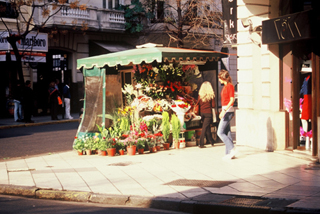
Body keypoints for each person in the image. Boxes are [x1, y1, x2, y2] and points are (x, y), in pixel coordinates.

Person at [217, 69, 236, 159]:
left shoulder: (229, 86)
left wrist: (224, 111)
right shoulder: (225, 87)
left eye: (219, 78)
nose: (219, 80)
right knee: (227, 132)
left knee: (220, 132)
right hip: (226, 111)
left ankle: (232, 149)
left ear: (222, 77)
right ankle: (229, 153)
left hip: (228, 112)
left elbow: (232, 100)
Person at [197, 81, 216, 148]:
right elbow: (213, 105)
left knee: (207, 128)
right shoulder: (211, 96)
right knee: (204, 128)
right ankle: (201, 143)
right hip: (208, 113)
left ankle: (211, 141)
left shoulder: (200, 96)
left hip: (202, 113)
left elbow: (198, 103)